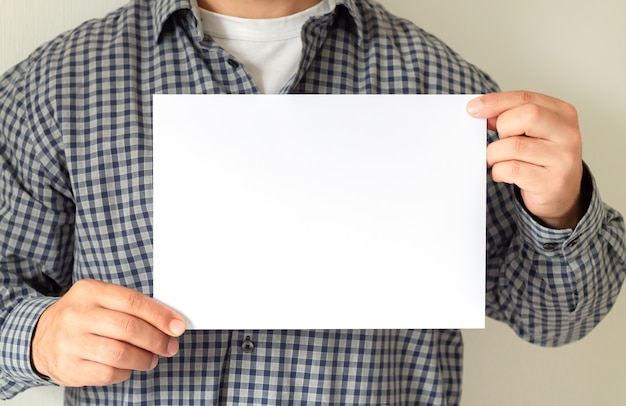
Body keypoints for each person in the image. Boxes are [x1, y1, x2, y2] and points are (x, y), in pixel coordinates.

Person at [1, 0, 625, 404]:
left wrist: (562, 210)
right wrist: (39, 337)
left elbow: (554, 321)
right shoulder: (59, 87)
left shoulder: (450, 91)